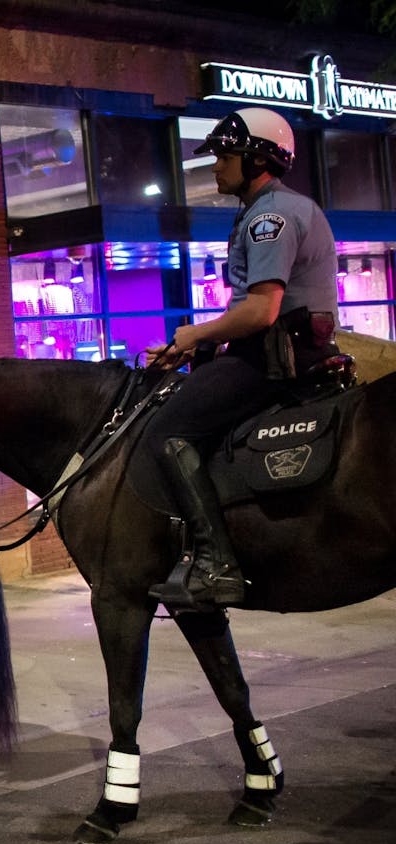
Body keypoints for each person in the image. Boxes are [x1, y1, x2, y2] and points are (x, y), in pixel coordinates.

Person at [143, 107, 338, 613]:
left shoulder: (269, 217)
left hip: (276, 361)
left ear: (258, 159)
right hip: (278, 350)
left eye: (225, 156)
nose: (216, 166)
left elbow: (260, 310)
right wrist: (187, 348)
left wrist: (190, 335)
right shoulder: (265, 210)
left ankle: (216, 565)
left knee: (167, 431)